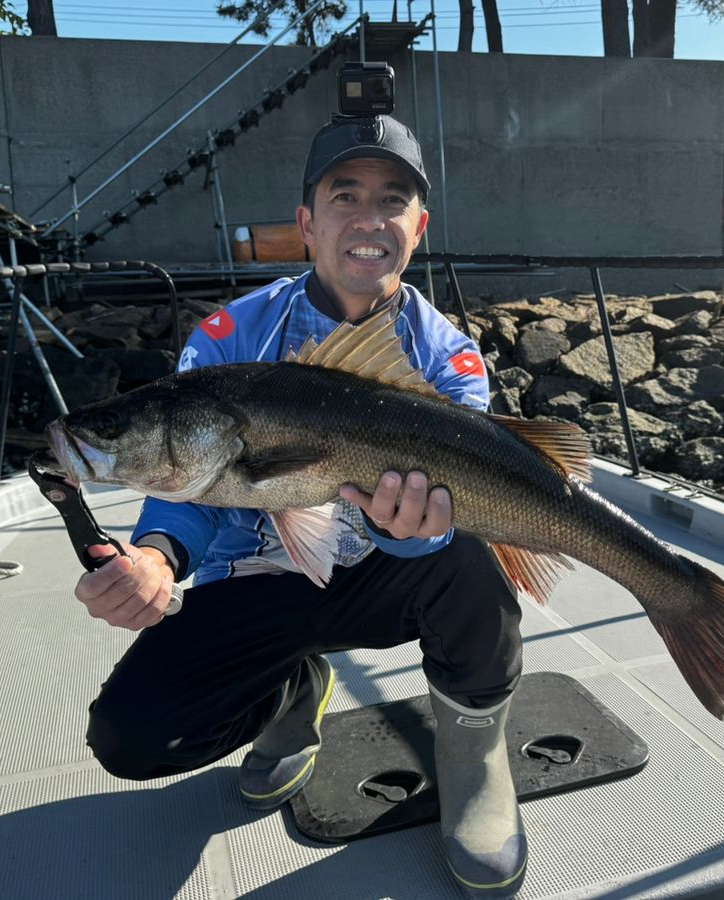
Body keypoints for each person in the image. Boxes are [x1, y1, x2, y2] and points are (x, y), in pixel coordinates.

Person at [75, 112, 527, 898]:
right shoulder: (229, 334)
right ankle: (290, 690)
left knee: (468, 565)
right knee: (130, 736)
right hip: (252, 580)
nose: (368, 216)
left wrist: (417, 534)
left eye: (393, 200)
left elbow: (455, 505)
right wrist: (156, 555)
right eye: (344, 194)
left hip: (384, 569)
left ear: (418, 228)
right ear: (308, 223)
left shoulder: (448, 356)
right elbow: (193, 475)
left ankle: (475, 759)